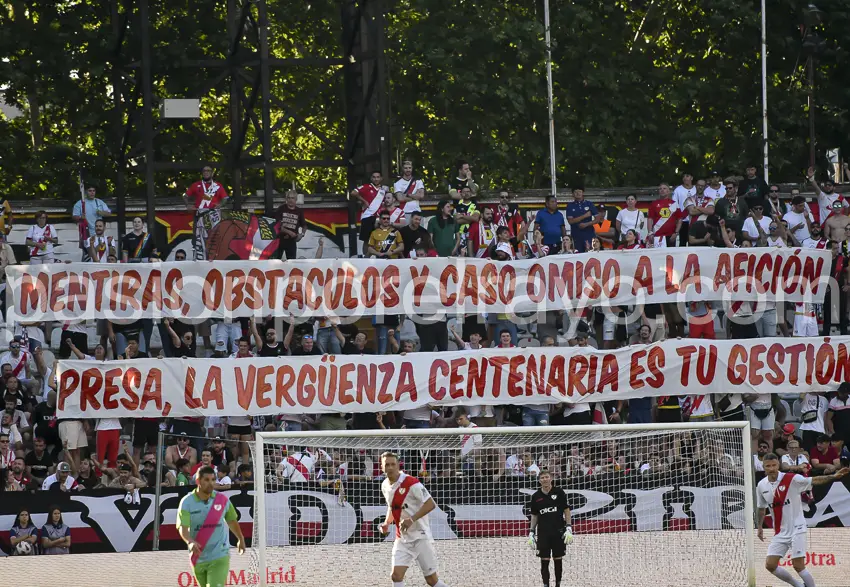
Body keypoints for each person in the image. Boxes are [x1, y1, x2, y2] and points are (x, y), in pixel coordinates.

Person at [756, 453, 848, 587]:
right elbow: (761, 508)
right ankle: (799, 586)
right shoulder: (761, 485)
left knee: (798, 565)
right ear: (763, 467)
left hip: (797, 528)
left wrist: (833, 477)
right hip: (780, 531)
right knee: (770, 565)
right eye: (768, 466)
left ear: (779, 465)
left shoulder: (791, 479)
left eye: (774, 465)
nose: (771, 469)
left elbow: (814, 480)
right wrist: (759, 526)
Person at [378, 451, 451, 587]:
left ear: (398, 465)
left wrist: (411, 519)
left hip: (420, 536)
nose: (390, 467)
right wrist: (387, 523)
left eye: (393, 464)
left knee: (432, 581)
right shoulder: (385, 485)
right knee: (396, 576)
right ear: (381, 467)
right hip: (402, 538)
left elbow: (430, 504)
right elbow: (392, 506)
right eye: (386, 465)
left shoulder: (411, 483)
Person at [178, 466, 246, 587]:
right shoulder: (187, 502)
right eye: (207, 480)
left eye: (213, 480)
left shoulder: (222, 499)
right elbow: (183, 528)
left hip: (219, 554)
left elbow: (231, 520)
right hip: (197, 557)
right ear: (198, 481)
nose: (211, 483)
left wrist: (240, 538)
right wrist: (190, 542)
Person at [528, 469, 573, 587]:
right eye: (542, 478)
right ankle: (545, 584)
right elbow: (534, 515)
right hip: (543, 534)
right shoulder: (536, 496)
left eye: (547, 477)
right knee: (544, 562)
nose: (545, 479)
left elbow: (566, 510)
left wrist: (569, 527)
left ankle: (558, 584)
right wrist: (531, 532)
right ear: (539, 480)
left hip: (558, 532)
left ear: (551, 478)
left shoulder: (559, 492)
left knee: (558, 560)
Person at [72, 184, 111, 260]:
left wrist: (102, 213)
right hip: (86, 233)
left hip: (98, 232)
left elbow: (109, 212)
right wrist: (80, 217)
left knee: (100, 251)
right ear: (86, 192)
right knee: (87, 254)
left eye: (93, 191)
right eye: (90, 191)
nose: (92, 193)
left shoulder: (99, 202)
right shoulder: (80, 203)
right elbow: (74, 216)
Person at [274, 189, 307, 260]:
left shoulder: (299, 211)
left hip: (291, 241)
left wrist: (302, 234)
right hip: (279, 240)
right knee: (276, 261)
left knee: (292, 262)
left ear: (296, 199)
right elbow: (277, 225)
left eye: (292, 198)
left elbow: (304, 225)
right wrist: (289, 232)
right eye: (288, 198)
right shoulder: (281, 208)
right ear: (286, 199)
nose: (290, 200)